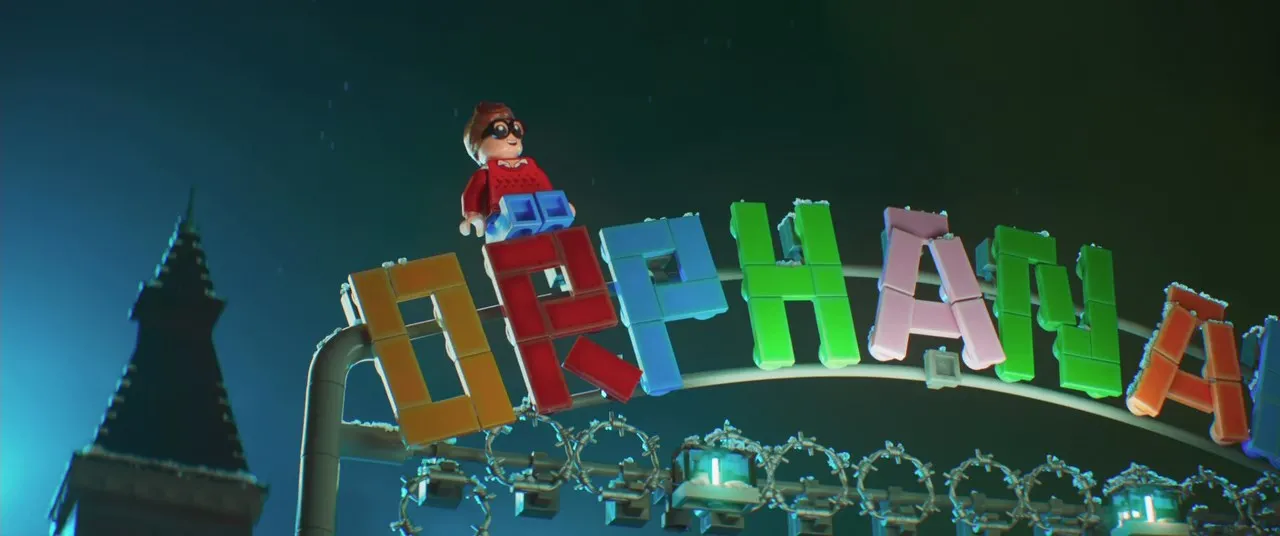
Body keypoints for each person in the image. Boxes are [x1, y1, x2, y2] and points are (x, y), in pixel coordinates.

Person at [458, 102, 575, 243]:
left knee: (546, 245)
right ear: (477, 145)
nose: (512, 136)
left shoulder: (529, 165)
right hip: (501, 218)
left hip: (541, 215)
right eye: (500, 130)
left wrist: (561, 207)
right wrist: (473, 214)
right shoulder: (486, 172)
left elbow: (545, 187)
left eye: (516, 129)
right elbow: (472, 193)